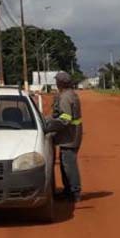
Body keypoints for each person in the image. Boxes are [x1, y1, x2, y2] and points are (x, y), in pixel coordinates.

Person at [46, 70, 83, 202]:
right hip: (71, 135)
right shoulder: (69, 94)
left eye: (57, 81)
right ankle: (69, 190)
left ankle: (74, 192)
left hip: (69, 137)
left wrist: (49, 127)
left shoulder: (65, 97)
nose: (55, 83)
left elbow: (65, 118)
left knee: (69, 165)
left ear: (60, 83)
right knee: (65, 164)